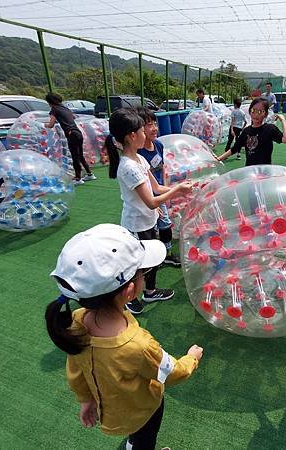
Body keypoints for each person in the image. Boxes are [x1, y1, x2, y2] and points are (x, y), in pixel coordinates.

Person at [45, 223, 203, 450]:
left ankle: (133, 443)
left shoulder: (76, 323)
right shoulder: (137, 345)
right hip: (143, 410)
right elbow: (172, 373)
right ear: (130, 291)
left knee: (136, 436)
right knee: (144, 439)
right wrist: (191, 358)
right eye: (143, 272)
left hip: (111, 409)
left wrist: (86, 399)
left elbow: (75, 371)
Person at [106, 108, 193, 314]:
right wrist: (178, 191)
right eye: (143, 130)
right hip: (137, 223)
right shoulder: (128, 167)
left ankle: (150, 291)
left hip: (148, 219)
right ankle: (130, 298)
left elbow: (157, 188)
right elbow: (151, 201)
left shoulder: (140, 160)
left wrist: (179, 187)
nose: (147, 133)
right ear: (132, 136)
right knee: (138, 264)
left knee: (152, 258)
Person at [135, 106, 180, 267]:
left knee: (165, 224)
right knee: (151, 228)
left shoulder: (158, 145)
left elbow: (162, 169)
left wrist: (167, 188)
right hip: (146, 198)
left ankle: (166, 253)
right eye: (149, 125)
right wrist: (154, 205)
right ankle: (153, 258)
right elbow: (141, 184)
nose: (154, 128)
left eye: (155, 123)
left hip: (159, 192)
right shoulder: (138, 153)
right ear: (138, 129)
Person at [216, 97, 286, 165]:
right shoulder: (246, 131)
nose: (256, 114)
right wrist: (219, 159)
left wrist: (283, 120)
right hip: (250, 171)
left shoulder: (270, 129)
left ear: (266, 114)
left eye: (260, 111)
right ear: (250, 111)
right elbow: (234, 149)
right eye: (253, 110)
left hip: (264, 172)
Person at [45, 92, 96, 185]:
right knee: (80, 155)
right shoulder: (65, 108)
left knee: (75, 156)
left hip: (71, 134)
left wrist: (44, 125)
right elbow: (72, 117)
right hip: (77, 132)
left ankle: (78, 178)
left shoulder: (54, 109)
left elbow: (51, 124)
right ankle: (89, 174)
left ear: (50, 102)